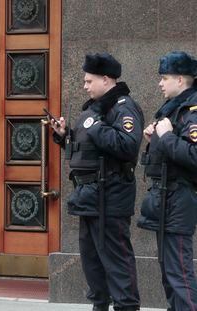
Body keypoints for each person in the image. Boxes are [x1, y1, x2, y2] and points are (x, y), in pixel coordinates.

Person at [49, 53, 143, 311]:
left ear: (106, 79)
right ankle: (99, 305)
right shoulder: (94, 109)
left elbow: (128, 146)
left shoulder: (123, 107)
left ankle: (126, 307)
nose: (85, 85)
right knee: (92, 261)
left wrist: (95, 127)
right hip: (89, 196)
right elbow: (86, 148)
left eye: (89, 80)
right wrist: (64, 135)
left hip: (110, 196)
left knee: (116, 260)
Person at [138, 51, 197, 310]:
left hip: (180, 199)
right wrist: (156, 141)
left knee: (180, 274)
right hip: (165, 198)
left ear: (181, 80)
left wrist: (167, 136)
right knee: (169, 274)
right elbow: (168, 157)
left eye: (164, 78)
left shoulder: (191, 112)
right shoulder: (173, 110)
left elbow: (194, 156)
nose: (160, 84)